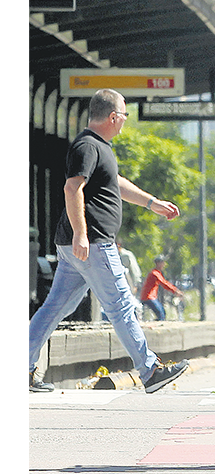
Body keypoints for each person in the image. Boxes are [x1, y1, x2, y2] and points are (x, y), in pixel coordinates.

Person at [29, 88, 189, 394]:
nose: (125, 120)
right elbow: (72, 188)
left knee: (55, 308)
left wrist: (152, 203)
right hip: (93, 243)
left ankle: (21, 366)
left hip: (81, 246)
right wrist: (81, 234)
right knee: (121, 306)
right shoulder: (88, 145)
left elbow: (115, 182)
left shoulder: (99, 147)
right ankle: (150, 370)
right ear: (113, 117)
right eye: (124, 115)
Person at [140, 255, 184, 321]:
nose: (164, 264)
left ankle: (156, 323)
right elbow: (164, 283)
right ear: (158, 263)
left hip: (151, 297)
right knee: (161, 314)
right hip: (148, 297)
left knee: (162, 312)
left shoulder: (157, 273)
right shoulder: (154, 273)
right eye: (163, 262)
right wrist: (176, 291)